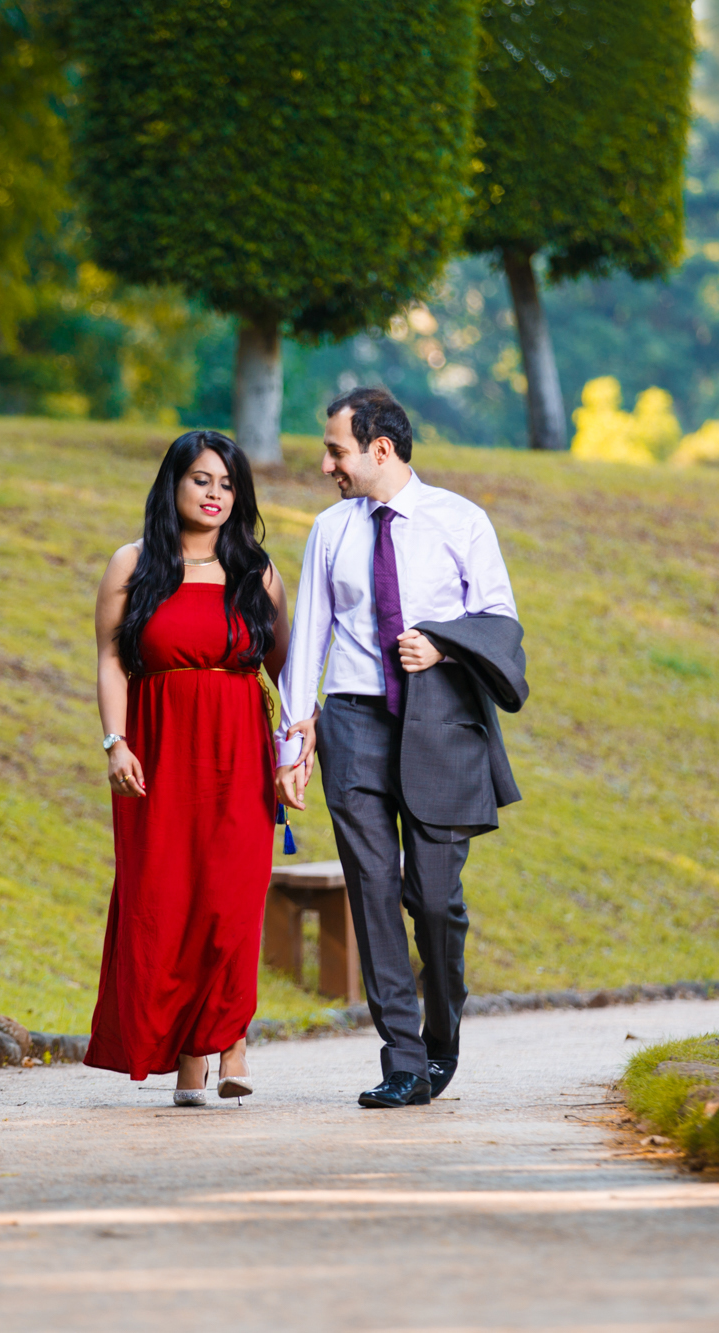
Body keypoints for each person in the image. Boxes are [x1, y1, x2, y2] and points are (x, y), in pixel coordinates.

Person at [276, 387, 528, 1109]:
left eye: (336, 451)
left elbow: (502, 623)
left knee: (435, 899)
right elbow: (310, 640)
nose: (327, 465)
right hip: (353, 724)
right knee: (375, 893)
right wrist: (292, 741)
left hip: (441, 721)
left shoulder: (461, 520)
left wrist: (442, 643)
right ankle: (404, 1061)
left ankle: (442, 1030)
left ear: (379, 448)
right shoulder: (330, 529)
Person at [85, 430, 292, 1107]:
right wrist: (115, 741)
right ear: (173, 484)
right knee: (166, 899)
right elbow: (113, 659)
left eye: (227, 484)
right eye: (202, 479)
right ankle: (188, 1055)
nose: (215, 494)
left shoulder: (257, 572)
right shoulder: (133, 564)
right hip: (157, 747)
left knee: (230, 900)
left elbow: (284, 670)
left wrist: (297, 749)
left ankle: (228, 1042)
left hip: (238, 749)